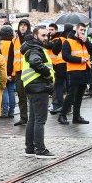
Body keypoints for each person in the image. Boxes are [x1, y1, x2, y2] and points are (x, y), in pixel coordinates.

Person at [20, 25, 56, 158]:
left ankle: (30, 148)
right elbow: (36, 62)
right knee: (40, 120)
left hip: (32, 86)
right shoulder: (36, 49)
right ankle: (40, 149)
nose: (46, 38)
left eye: (47, 35)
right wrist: (47, 75)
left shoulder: (30, 47)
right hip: (39, 86)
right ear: (35, 36)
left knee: (33, 119)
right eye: (43, 35)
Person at [60, 25, 92, 124]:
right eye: (81, 30)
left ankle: (76, 116)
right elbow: (65, 56)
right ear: (76, 30)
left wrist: (86, 41)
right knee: (71, 95)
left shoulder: (84, 41)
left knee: (79, 96)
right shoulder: (68, 41)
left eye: (84, 30)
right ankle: (62, 115)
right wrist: (79, 60)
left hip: (84, 71)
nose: (82, 32)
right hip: (73, 72)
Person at [0, 26, 19, 119]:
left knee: (4, 91)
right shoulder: (13, 43)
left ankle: (4, 111)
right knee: (11, 92)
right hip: (12, 72)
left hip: (2, 72)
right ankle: (11, 111)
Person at [13, 18, 31, 126]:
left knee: (31, 95)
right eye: (21, 25)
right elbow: (11, 57)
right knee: (21, 95)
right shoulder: (14, 40)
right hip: (19, 72)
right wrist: (11, 72)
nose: (23, 27)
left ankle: (33, 117)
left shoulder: (30, 39)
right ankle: (23, 118)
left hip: (29, 71)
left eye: (25, 25)